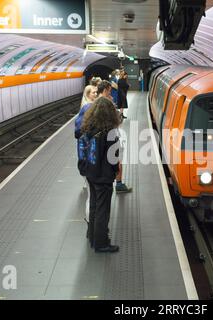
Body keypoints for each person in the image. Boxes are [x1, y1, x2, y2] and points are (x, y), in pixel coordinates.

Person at [80, 97, 121, 253]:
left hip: (91, 174)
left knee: (94, 206)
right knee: (103, 210)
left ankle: (92, 237)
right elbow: (113, 158)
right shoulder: (109, 132)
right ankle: (101, 243)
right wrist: (115, 171)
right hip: (103, 176)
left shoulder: (88, 128)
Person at [96, 81, 132, 194]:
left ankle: (117, 182)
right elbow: (115, 121)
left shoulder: (97, 102)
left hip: (106, 137)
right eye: (110, 91)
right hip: (110, 137)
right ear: (105, 90)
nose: (111, 93)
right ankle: (119, 184)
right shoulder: (105, 103)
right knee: (117, 161)